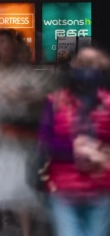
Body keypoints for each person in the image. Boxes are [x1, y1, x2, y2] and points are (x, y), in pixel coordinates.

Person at [0, 29, 54, 236]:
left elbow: (41, 94)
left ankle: (25, 230)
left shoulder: (23, 70)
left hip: (19, 132)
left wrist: (23, 96)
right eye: (3, 43)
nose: (6, 48)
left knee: (20, 181)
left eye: (10, 44)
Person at [38, 47, 110, 236]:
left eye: (95, 64)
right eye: (84, 63)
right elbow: (45, 141)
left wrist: (101, 152)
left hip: (101, 188)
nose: (89, 69)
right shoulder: (55, 102)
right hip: (64, 188)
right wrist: (76, 149)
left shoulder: (108, 103)